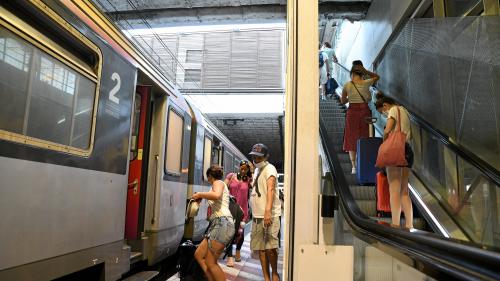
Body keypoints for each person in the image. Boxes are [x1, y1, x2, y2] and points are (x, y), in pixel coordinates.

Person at [375, 94, 414, 230]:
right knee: (404, 191)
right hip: (407, 149)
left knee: (394, 190)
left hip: (396, 150)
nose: (384, 114)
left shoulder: (393, 110)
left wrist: (385, 142)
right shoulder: (405, 111)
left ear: (385, 105)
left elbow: (387, 129)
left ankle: (395, 223)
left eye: (382, 112)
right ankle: (409, 224)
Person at [192, 166, 235, 281]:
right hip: (217, 224)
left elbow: (216, 195)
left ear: (210, 176)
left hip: (223, 222)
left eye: (208, 177)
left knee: (211, 262)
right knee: (199, 255)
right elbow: (214, 196)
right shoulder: (216, 185)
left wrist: (200, 194)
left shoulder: (218, 182)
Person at [249, 143, 281, 281]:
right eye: (254, 156)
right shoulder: (257, 171)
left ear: (266, 157)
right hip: (256, 216)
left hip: (269, 215)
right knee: (261, 248)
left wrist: (268, 211)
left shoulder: (270, 169)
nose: (256, 159)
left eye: (259, 157)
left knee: (270, 248)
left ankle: (274, 273)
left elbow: (271, 189)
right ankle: (266, 277)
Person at [340, 64, 380, 174]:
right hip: (364, 112)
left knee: (351, 137)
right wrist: (366, 71)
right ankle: (364, 163)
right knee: (365, 136)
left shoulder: (347, 85)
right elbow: (377, 77)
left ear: (351, 74)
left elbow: (343, 102)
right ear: (361, 74)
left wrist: (351, 97)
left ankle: (353, 166)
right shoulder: (366, 82)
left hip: (352, 112)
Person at [223, 160, 253, 267]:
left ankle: (238, 251)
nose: (243, 169)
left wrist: (251, 171)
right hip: (230, 208)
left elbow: (255, 187)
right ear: (239, 167)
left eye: (246, 168)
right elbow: (223, 188)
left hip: (242, 210)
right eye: (242, 167)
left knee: (240, 232)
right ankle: (230, 256)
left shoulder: (249, 180)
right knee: (229, 233)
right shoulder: (231, 176)